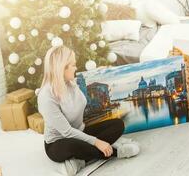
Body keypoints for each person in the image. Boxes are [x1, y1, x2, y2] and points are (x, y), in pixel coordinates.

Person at [37, 45, 140, 174]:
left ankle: (81, 160)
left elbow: (84, 83)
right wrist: (97, 142)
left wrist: (100, 72)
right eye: (73, 65)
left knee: (118, 124)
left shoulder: (70, 82)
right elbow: (67, 132)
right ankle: (116, 152)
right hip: (59, 142)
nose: (76, 68)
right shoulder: (46, 96)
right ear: (62, 68)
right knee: (73, 145)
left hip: (80, 131)